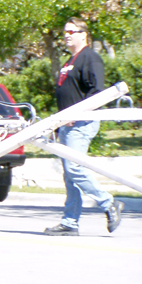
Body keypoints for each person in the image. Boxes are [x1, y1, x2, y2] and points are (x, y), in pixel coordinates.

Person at [44, 18, 123, 236]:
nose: (67, 35)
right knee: (70, 175)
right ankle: (70, 222)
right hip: (67, 124)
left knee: (74, 169)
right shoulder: (70, 60)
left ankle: (108, 204)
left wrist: (77, 115)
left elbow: (97, 93)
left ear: (83, 34)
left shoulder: (91, 58)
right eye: (65, 32)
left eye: (71, 31)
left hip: (82, 123)